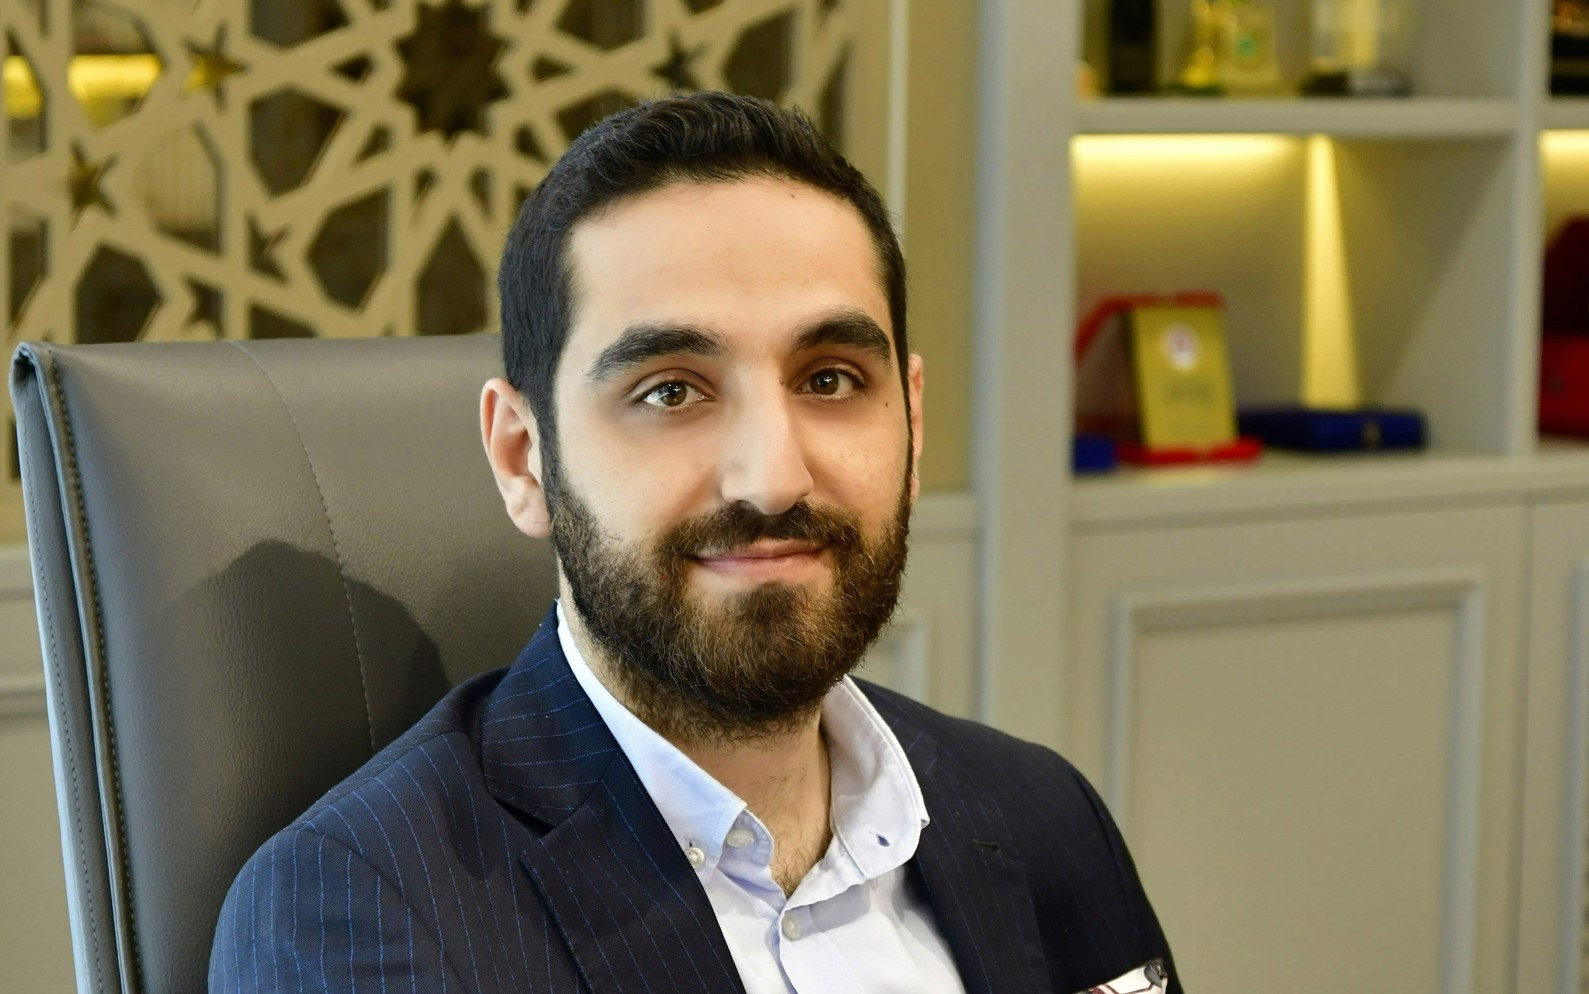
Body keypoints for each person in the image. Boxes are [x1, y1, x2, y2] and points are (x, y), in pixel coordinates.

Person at [210, 91, 1180, 994]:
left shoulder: (1041, 813)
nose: (772, 478)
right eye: (670, 390)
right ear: (522, 457)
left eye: (830, 379)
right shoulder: (358, 911)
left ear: (912, 425)